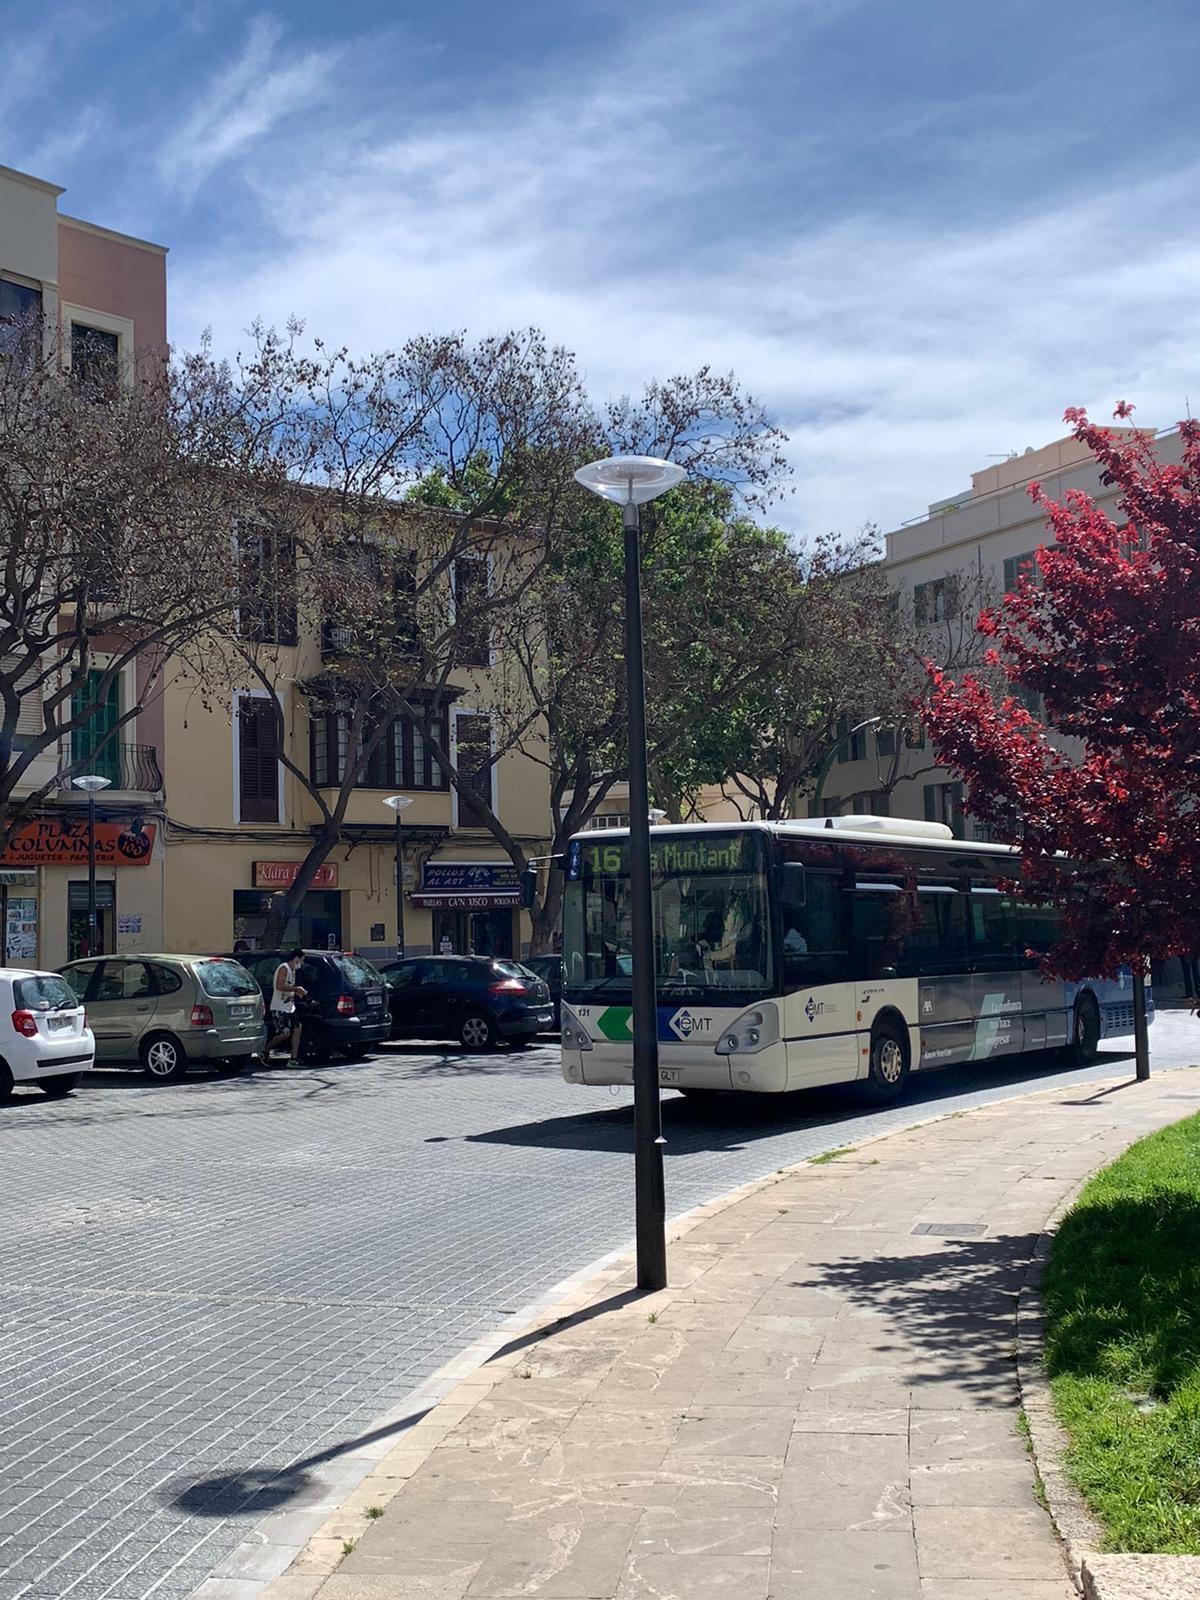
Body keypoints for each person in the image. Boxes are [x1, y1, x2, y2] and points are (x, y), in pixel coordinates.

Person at [266, 949, 307, 1066]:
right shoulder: (284, 968)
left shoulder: (292, 970)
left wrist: (295, 992)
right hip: (280, 1006)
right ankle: (266, 1049)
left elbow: (288, 986)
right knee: (284, 1033)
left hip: (290, 1006)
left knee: (297, 1029)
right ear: (296, 958)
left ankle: (293, 1059)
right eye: (301, 960)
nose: (302, 964)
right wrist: (296, 989)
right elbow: (280, 985)